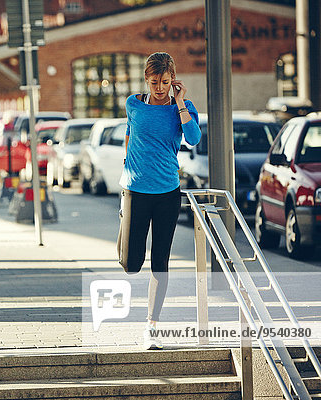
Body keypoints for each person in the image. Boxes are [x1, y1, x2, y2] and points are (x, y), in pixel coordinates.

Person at [118, 52, 201, 350]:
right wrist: (126, 168)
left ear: (173, 80)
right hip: (136, 192)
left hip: (167, 193)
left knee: (160, 263)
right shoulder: (134, 104)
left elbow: (193, 138)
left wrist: (179, 103)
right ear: (146, 79)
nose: (159, 87)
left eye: (165, 82)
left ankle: (152, 325)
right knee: (130, 263)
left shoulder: (184, 108)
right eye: (154, 82)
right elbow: (130, 134)